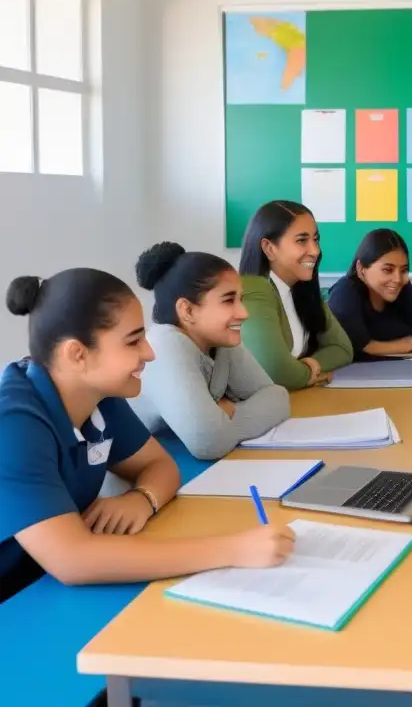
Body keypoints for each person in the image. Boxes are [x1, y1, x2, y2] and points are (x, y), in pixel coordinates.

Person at [0, 269, 295, 603]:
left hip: (42, 589)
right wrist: (234, 549)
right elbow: (73, 560)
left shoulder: (98, 393)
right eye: (133, 341)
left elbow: (160, 466)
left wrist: (143, 498)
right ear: (77, 354)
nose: (150, 353)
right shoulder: (13, 423)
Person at [131, 242, 290, 460]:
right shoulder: (165, 346)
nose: (243, 313)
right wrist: (225, 418)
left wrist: (229, 415)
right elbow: (208, 442)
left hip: (184, 463)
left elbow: (279, 398)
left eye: (240, 300)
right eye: (228, 300)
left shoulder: (219, 339)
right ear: (187, 310)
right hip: (144, 476)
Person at [238, 200, 354, 390]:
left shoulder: (303, 289)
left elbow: (342, 349)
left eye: (315, 239)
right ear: (269, 248)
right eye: (302, 240)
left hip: (296, 403)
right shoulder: (254, 289)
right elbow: (277, 372)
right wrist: (308, 373)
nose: (315, 250)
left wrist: (306, 368)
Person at [327, 229, 412, 361]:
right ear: (361, 269)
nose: (398, 278)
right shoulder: (344, 292)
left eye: (404, 270)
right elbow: (355, 349)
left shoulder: (402, 286)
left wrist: (377, 347)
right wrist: (406, 344)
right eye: (388, 270)